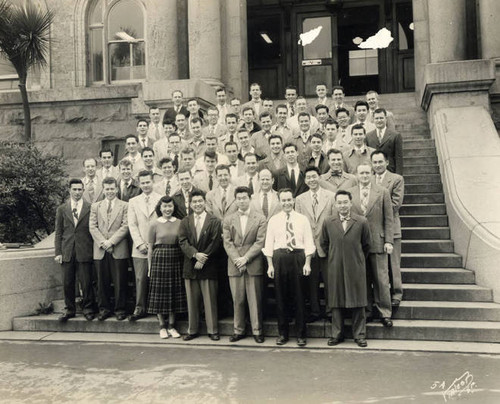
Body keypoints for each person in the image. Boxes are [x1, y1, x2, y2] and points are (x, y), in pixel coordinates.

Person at [263, 188, 315, 347]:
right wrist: (270, 265)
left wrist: (307, 263)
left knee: (299, 296)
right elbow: (269, 244)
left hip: (298, 258)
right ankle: (283, 333)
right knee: (281, 297)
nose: (286, 203)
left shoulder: (302, 219)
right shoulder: (274, 220)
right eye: (283, 200)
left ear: (293, 201)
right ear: (280, 202)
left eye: (289, 200)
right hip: (280, 258)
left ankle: (301, 334)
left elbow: (308, 242)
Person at [320, 190, 371, 348]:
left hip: (356, 267)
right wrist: (335, 257)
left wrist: (356, 259)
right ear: (335, 204)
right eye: (339, 202)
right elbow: (324, 243)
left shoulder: (361, 221)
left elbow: (367, 245)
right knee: (335, 301)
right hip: (335, 266)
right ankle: (336, 334)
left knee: (358, 300)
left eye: (345, 202)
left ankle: (359, 335)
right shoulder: (328, 222)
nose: (342, 205)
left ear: (350, 203)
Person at [347, 164, 394, 327]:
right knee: (362, 279)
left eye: (367, 172)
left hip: (378, 242)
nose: (365, 175)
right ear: (356, 174)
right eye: (361, 173)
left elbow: (389, 218)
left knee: (381, 278)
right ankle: (366, 311)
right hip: (357, 244)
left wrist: (389, 240)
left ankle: (385, 312)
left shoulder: (382, 192)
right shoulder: (351, 193)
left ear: (372, 173)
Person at [223, 186, 267, 343]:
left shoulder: (260, 218)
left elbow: (260, 242)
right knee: (238, 299)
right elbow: (227, 243)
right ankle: (238, 330)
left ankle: (257, 330)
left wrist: (246, 258)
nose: (241, 201)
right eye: (239, 198)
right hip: (235, 264)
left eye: (244, 198)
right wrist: (237, 259)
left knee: (255, 299)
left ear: (250, 199)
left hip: (253, 263)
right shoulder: (228, 219)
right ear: (235, 200)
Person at [178, 190, 223, 341]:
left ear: (205, 202)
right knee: (192, 300)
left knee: (210, 300)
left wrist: (202, 259)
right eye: (194, 202)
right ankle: (193, 330)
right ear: (190, 204)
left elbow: (215, 242)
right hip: (190, 266)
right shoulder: (185, 221)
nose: (197, 204)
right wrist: (195, 255)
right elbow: (182, 241)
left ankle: (213, 330)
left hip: (209, 266)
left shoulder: (214, 221)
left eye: (200, 201)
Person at [295, 166, 335, 322]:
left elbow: (334, 221)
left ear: (320, 178)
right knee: (311, 282)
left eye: (314, 176)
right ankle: (315, 310)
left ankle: (331, 311)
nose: (312, 180)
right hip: (308, 248)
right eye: (309, 177)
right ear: (305, 180)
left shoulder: (331, 197)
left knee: (329, 280)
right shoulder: (299, 199)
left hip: (327, 245)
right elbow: (298, 223)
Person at [54, 179, 96, 322]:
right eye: (75, 189)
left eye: (80, 190)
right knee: (67, 282)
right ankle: (69, 309)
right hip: (67, 250)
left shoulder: (90, 208)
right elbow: (58, 232)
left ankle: (88, 308)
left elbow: (93, 230)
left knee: (86, 281)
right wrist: (58, 252)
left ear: (83, 191)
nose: (77, 192)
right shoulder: (62, 209)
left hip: (85, 249)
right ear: (69, 190)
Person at [89, 176, 129, 321]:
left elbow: (125, 226)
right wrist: (103, 243)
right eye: (107, 189)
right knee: (102, 281)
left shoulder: (125, 205)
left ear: (117, 189)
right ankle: (104, 309)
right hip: (100, 250)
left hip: (118, 248)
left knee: (120, 281)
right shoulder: (96, 206)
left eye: (112, 188)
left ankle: (120, 309)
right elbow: (92, 227)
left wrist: (111, 242)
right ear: (103, 190)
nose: (110, 191)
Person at [147, 196, 187, 339]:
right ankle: (162, 326)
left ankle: (172, 326)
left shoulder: (180, 223)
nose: (167, 209)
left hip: (176, 258)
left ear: (174, 207)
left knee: (173, 292)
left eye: (170, 206)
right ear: (160, 208)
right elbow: (150, 247)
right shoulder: (154, 224)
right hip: (159, 259)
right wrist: (150, 267)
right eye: (164, 206)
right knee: (160, 293)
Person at [127, 170, 162, 321]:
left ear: (152, 182)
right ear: (139, 184)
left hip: (158, 245)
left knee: (158, 277)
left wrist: (157, 243)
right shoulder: (133, 201)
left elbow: (163, 221)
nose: (146, 185)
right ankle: (140, 308)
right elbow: (132, 225)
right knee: (140, 278)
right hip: (139, 248)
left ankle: (159, 308)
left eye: (148, 182)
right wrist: (140, 243)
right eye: (143, 183)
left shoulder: (161, 199)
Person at [371, 150, 404, 306]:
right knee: (379, 268)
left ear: (387, 162)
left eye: (380, 162)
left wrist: (373, 208)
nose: (377, 165)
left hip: (391, 228)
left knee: (393, 263)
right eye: (375, 162)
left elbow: (395, 204)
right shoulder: (368, 179)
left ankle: (396, 293)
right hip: (374, 230)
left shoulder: (396, 179)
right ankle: (380, 296)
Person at [365, 108, 404, 175]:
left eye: (381, 118)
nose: (379, 120)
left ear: (386, 119)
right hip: (374, 173)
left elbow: (399, 158)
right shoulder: (368, 136)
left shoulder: (395, 135)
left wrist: (399, 176)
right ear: (373, 120)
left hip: (390, 171)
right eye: (377, 118)